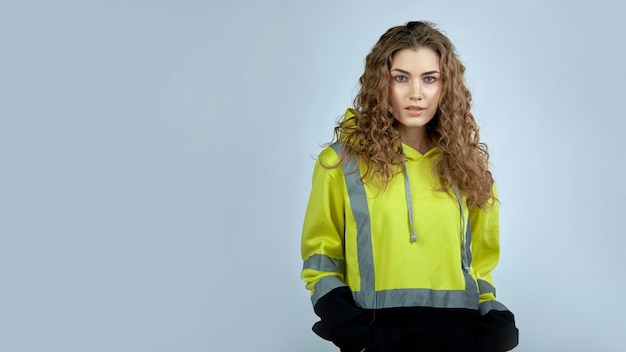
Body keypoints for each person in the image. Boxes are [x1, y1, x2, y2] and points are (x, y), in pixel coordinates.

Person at [300, 21, 519, 352]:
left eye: (429, 79)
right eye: (400, 78)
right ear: (380, 84)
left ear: (446, 87)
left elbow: (480, 269)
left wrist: (492, 321)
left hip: (457, 341)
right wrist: (352, 332)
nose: (416, 93)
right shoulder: (341, 163)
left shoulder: (468, 168)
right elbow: (321, 259)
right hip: (377, 339)